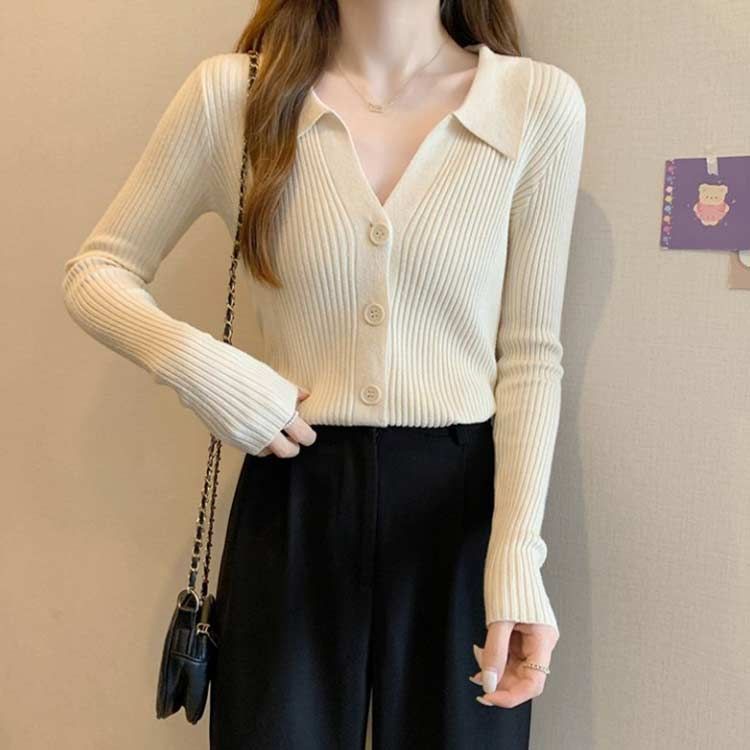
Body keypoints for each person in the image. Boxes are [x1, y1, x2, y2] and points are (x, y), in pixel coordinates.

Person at [61, 1, 586, 747]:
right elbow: (97, 272)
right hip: (294, 491)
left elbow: (530, 353)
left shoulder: (534, 102)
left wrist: (517, 555)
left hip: (462, 509)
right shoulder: (236, 95)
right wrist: (211, 373)